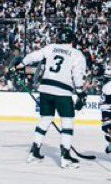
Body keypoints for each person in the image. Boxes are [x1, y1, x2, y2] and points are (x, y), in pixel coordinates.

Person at [18, 27, 88, 168]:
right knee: (67, 122)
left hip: (45, 89)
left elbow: (34, 56)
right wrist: (80, 92)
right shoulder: (76, 54)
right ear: (72, 40)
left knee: (45, 120)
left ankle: (34, 152)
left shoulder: (51, 48)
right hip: (63, 91)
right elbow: (77, 74)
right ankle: (65, 157)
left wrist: (20, 64)